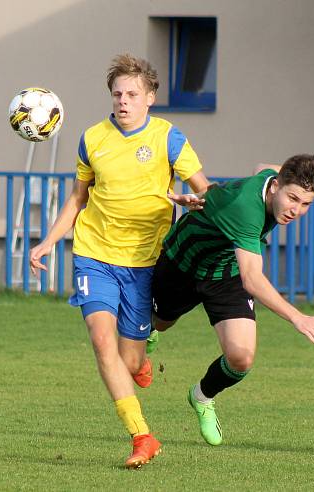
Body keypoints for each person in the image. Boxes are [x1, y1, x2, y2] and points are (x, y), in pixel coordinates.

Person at [29, 54, 209, 468]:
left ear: (151, 97)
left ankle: (141, 360)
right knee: (100, 340)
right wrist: (49, 242)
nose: (123, 101)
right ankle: (142, 436)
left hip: (145, 263)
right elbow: (78, 197)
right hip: (94, 254)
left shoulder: (169, 138)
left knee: (129, 361)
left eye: (131, 94)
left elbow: (205, 190)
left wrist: (193, 202)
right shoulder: (92, 138)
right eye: (117, 94)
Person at [149, 154, 314, 446]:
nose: (295, 210)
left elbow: (261, 168)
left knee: (241, 357)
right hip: (184, 261)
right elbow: (253, 280)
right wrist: (298, 317)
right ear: (275, 188)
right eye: (292, 198)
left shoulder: (273, 180)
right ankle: (152, 329)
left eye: (305, 204)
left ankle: (202, 397)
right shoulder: (246, 207)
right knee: (162, 323)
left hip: (226, 270)